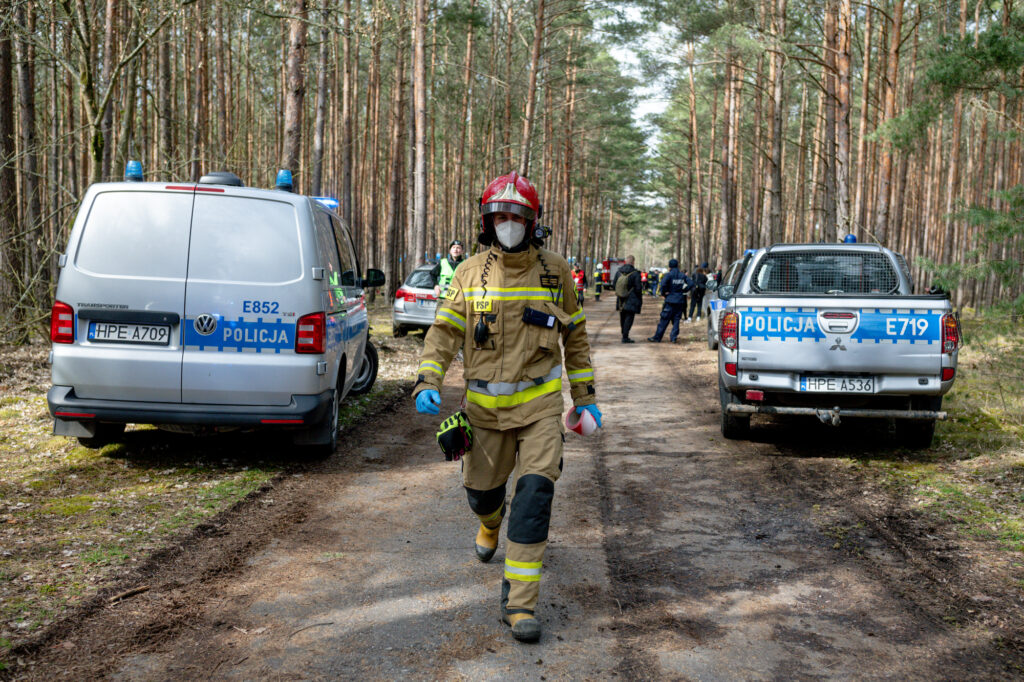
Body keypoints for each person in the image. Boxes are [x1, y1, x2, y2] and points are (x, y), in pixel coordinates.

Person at [412, 171, 601, 644]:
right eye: (500, 215)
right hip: (484, 414)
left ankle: (519, 605)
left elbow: (575, 339)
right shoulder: (468, 272)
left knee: (535, 498)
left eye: (517, 215)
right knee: (483, 495)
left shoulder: (557, 272)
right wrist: (426, 378)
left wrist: (586, 401)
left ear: (533, 221)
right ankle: (489, 523)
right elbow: (444, 333)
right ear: (486, 220)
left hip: (539, 409)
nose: (508, 222)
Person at [648, 259, 692, 343]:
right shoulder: (682, 275)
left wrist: (664, 294)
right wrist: (683, 291)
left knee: (664, 319)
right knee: (676, 320)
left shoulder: (668, 275)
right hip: (679, 300)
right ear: (677, 266)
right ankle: (673, 338)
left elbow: (663, 285)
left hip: (670, 300)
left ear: (669, 267)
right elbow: (691, 284)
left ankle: (657, 338)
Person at [612, 255, 643, 343]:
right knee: (629, 317)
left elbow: (614, 285)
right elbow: (638, 288)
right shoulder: (635, 273)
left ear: (625, 261)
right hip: (632, 299)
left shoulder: (619, 272)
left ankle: (624, 334)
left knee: (622, 316)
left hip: (621, 298)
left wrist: (621, 293)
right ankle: (625, 336)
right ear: (633, 262)